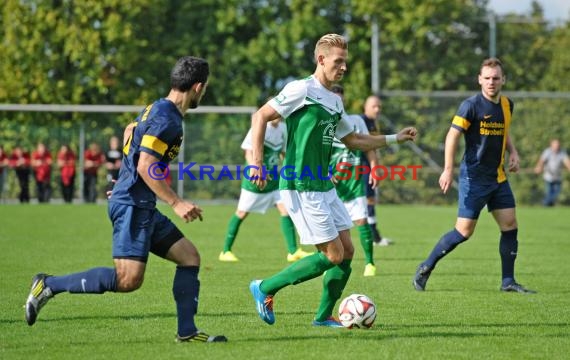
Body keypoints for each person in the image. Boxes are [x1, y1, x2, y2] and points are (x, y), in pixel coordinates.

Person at [24, 56, 227, 343]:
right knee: (128, 279)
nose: (203, 93)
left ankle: (187, 332)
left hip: (137, 201)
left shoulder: (156, 108)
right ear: (197, 87)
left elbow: (130, 130)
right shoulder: (168, 121)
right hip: (133, 206)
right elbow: (145, 165)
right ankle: (48, 285)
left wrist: (124, 178)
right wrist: (176, 203)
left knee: (189, 257)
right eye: (204, 89)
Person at [247, 33, 417, 327]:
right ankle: (264, 288)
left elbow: (353, 139)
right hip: (300, 184)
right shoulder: (301, 89)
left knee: (348, 252)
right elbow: (260, 116)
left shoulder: (335, 102)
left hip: (323, 185)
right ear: (321, 59)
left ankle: (323, 316)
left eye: (345, 62)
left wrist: (394, 138)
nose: (343, 67)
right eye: (338, 61)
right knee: (333, 255)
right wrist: (257, 165)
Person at [413, 57, 535, 294]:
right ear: (480, 79)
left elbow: (505, 130)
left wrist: (514, 152)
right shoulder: (470, 105)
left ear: (503, 80)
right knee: (464, 232)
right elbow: (452, 136)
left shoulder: (508, 105)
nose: (491, 82)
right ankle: (426, 266)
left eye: (496, 78)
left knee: (510, 224)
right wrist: (448, 169)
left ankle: (508, 281)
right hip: (474, 179)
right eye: (487, 78)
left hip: (498, 178)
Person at [219, 116, 313, 263]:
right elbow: (248, 151)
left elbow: (283, 153)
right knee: (242, 213)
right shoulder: (260, 126)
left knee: (286, 210)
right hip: (256, 182)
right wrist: (254, 169)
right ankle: (225, 251)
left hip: (274, 181)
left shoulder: (282, 128)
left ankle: (293, 251)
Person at [329, 84, 379, 277]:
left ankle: (370, 263)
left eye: (340, 98)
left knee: (361, 220)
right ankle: (331, 263)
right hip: (332, 184)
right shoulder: (323, 123)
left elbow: (368, 145)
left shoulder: (356, 121)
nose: (338, 102)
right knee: (332, 228)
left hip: (354, 181)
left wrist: (374, 169)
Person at [359, 94, 393, 247]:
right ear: (365, 107)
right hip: (360, 167)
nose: (377, 109)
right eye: (374, 106)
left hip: (368, 165)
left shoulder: (372, 123)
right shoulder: (363, 121)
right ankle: (374, 237)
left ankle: (374, 236)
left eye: (379, 106)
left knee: (369, 200)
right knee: (368, 200)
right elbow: (366, 146)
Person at [534, 139, 570, 206]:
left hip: (558, 176)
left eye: (558, 145)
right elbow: (542, 161)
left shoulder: (562, 153)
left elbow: (567, 162)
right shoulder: (547, 152)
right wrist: (539, 167)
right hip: (548, 176)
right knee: (549, 192)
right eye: (555, 145)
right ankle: (546, 204)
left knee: (557, 192)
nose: (556, 147)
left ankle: (545, 203)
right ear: (551, 145)